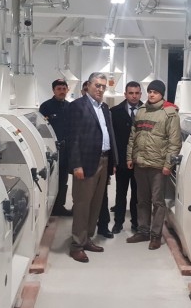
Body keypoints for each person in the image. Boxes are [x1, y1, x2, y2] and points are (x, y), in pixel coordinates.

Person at [66, 72, 117, 263]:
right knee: (82, 204)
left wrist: (112, 161)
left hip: (103, 160)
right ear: (88, 85)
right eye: (97, 85)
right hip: (86, 163)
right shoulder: (77, 106)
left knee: (96, 203)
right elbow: (73, 138)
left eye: (103, 86)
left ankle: (87, 238)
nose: (101, 89)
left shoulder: (104, 107)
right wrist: (76, 165)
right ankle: (76, 245)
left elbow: (109, 134)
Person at [126, 80, 181, 250]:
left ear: (161, 94)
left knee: (158, 202)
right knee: (142, 200)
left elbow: (174, 142)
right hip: (140, 163)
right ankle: (143, 231)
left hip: (158, 166)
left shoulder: (169, 113)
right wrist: (130, 157)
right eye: (149, 91)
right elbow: (133, 136)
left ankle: (156, 235)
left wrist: (168, 165)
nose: (151, 94)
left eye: (155, 92)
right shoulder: (142, 110)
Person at [109, 81, 143, 234]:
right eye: (131, 93)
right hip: (122, 161)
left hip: (140, 161)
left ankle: (136, 223)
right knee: (120, 193)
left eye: (136, 93)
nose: (134, 96)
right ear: (125, 94)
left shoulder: (147, 111)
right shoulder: (115, 112)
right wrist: (113, 162)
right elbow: (112, 139)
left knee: (137, 195)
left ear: (140, 94)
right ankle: (118, 223)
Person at [39, 79, 72, 216]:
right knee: (51, 179)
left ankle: (59, 207)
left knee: (63, 179)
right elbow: (41, 129)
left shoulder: (70, 107)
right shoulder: (45, 107)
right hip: (51, 150)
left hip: (66, 150)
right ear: (53, 90)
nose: (62, 91)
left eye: (64, 89)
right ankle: (49, 208)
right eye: (59, 89)